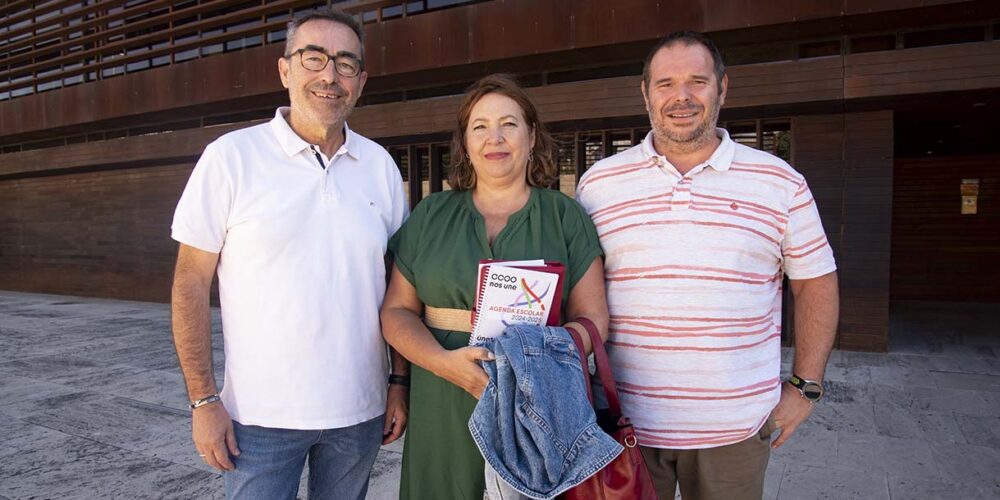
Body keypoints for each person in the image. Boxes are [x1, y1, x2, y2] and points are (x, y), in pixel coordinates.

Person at [575, 31, 840, 500]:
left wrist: (805, 387)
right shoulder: (599, 184)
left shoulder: (780, 182)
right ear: (645, 93)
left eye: (698, 81)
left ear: (722, 88)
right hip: (620, 423)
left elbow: (816, 283)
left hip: (734, 430)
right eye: (666, 83)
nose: (681, 96)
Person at [170, 8, 409, 499]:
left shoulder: (380, 166)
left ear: (360, 81)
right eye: (314, 58)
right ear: (285, 70)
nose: (329, 75)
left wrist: (398, 381)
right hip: (258, 420)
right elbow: (190, 281)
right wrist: (202, 400)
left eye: (345, 63)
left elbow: (398, 285)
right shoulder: (230, 158)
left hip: (359, 414)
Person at [379, 74, 610, 500]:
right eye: (480, 126)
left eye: (509, 123)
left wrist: (533, 364)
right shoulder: (431, 215)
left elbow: (593, 318)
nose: (495, 138)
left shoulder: (565, 216)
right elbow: (396, 311)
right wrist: (443, 363)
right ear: (465, 142)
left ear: (532, 135)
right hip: (441, 396)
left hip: (537, 404)